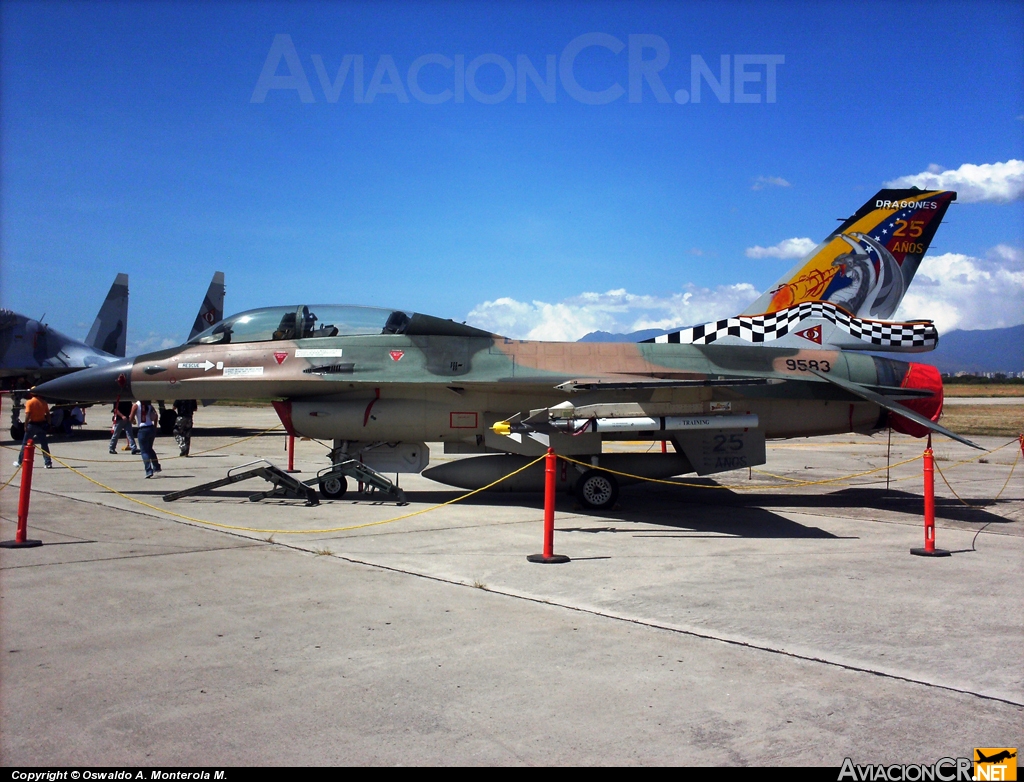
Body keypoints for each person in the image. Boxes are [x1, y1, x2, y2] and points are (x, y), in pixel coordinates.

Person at [14, 390, 54, 469]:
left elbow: (28, 414)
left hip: (32, 425)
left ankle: (20, 462)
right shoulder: (43, 402)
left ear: (31, 393)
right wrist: (49, 424)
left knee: (25, 444)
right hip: (42, 425)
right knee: (44, 445)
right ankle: (48, 463)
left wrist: (25, 425)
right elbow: (48, 415)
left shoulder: (29, 402)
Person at [130, 399, 162, 478]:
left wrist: (133, 421)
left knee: (144, 451)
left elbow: (131, 418)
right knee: (150, 449)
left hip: (142, 429)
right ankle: (156, 466)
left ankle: (148, 470)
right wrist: (154, 427)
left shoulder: (136, 405)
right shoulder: (149, 405)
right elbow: (156, 416)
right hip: (150, 427)